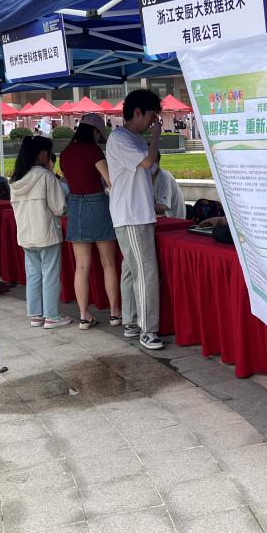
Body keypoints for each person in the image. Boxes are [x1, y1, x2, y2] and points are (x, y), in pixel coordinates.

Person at [105, 89, 164, 350]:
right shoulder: (120, 138)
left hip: (139, 213)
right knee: (145, 272)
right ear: (138, 112)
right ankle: (148, 330)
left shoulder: (136, 139)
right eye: (152, 116)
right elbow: (149, 162)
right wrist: (157, 135)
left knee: (131, 269)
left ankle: (130, 321)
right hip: (131, 215)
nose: (154, 121)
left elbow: (150, 170)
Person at [60, 113, 122, 330]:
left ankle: (84, 316)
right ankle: (115, 312)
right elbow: (110, 180)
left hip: (75, 205)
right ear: (94, 131)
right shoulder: (93, 151)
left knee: (82, 266)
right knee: (108, 263)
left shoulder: (65, 153)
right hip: (97, 204)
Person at [10, 136, 71, 329]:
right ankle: (52, 316)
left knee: (34, 275)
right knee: (50, 275)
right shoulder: (46, 176)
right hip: (46, 232)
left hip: (26, 234)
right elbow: (59, 207)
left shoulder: (16, 179)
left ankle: (36, 315)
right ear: (43, 154)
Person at [153, 153, 186, 219]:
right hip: (159, 219)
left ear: (155, 160)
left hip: (173, 221)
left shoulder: (164, 177)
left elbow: (161, 208)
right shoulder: (148, 178)